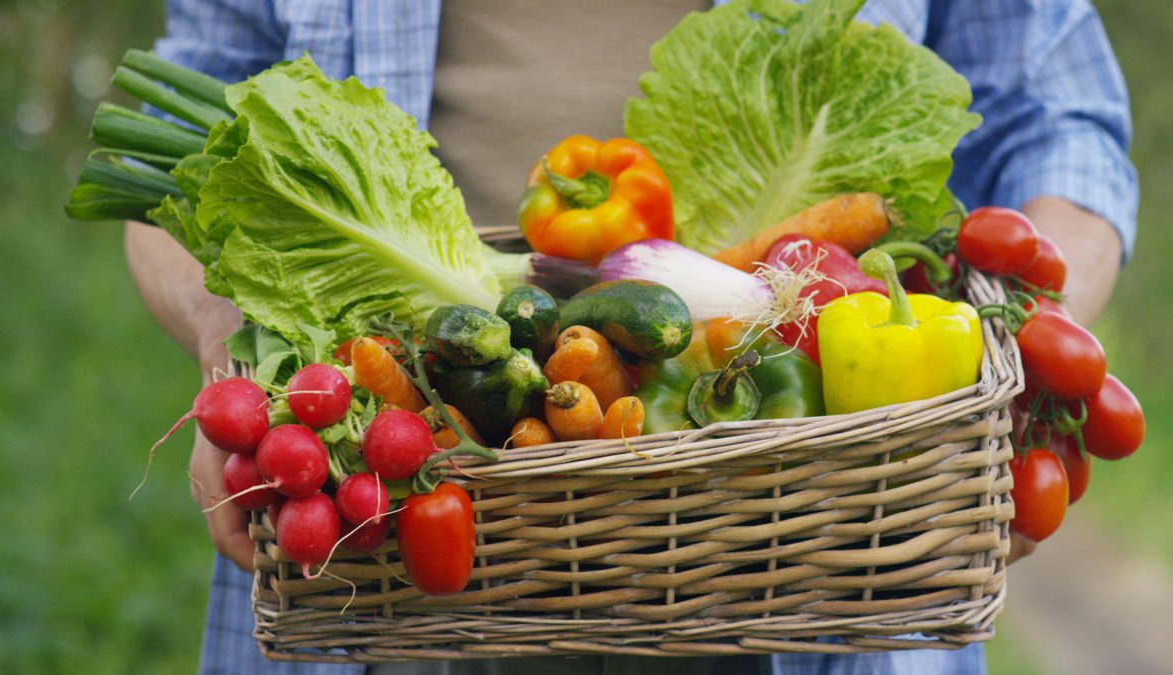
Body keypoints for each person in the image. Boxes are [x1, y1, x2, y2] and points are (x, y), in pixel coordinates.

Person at [125, 1, 1137, 673]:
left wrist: (1024, 346)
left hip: (823, 560)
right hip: (378, 511)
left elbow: (1059, 112)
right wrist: (239, 364)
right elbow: (188, 158)